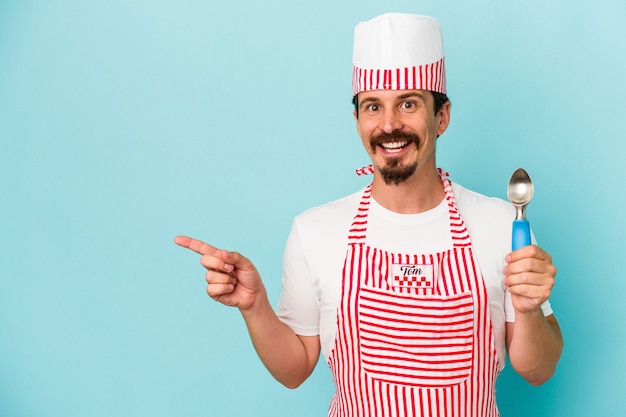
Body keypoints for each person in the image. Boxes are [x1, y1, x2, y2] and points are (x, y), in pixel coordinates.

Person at [175, 13, 563, 416]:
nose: (389, 124)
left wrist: (529, 308)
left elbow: (538, 370)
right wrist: (254, 306)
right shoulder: (315, 231)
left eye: (409, 103)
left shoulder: (504, 226)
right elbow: (294, 370)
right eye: (373, 106)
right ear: (358, 120)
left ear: (441, 116)